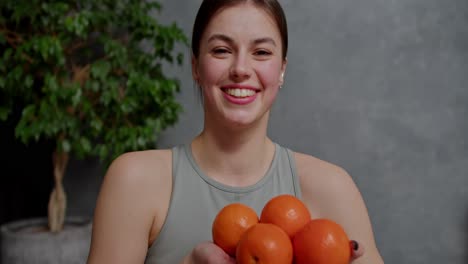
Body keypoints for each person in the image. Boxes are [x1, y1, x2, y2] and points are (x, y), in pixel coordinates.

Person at [87, 0, 384, 263]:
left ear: (281, 70)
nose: (240, 68)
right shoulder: (135, 180)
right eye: (221, 50)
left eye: (261, 52)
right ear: (195, 66)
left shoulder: (332, 188)